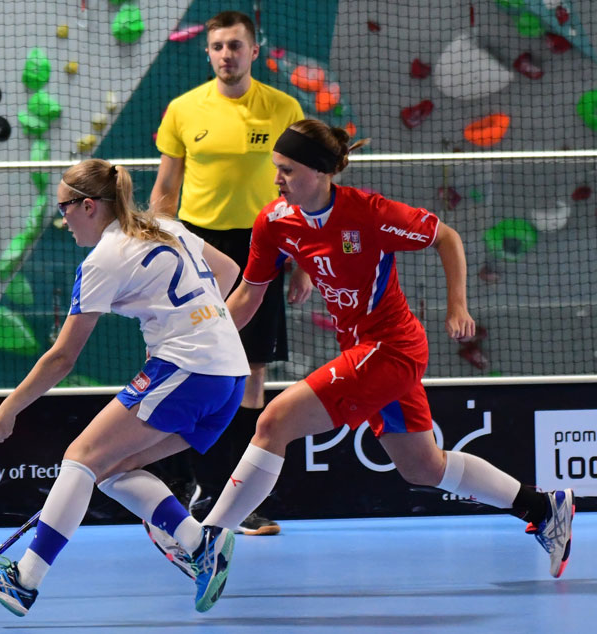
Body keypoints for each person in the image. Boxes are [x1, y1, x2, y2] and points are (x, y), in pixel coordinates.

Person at [158, 119, 575, 601]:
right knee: (422, 467)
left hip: (391, 348)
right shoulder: (274, 221)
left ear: (320, 172)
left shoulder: (370, 213)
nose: (277, 179)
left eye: (287, 170)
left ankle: (210, 540)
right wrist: (204, 338)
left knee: (273, 421)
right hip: (359, 349)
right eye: (276, 168)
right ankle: (542, 507)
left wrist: (457, 305)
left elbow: (446, 237)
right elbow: (249, 293)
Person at [0, 159, 249, 616]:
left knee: (80, 458)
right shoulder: (164, 226)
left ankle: (23, 580)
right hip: (230, 374)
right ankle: (199, 544)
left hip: (188, 369)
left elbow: (63, 357)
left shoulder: (103, 259)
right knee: (110, 469)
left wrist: (9, 408)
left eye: (64, 208)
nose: (62, 219)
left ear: (88, 206)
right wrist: (201, 327)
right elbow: (229, 271)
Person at [148, 9, 311, 537]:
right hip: (198, 249)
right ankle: (185, 484)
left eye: (235, 46)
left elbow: (299, 190)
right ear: (208, 52)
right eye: (218, 46)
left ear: (253, 51)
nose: (226, 55)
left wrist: (302, 261)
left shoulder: (283, 108)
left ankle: (233, 500)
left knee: (251, 372)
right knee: (186, 363)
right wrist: (157, 255)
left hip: (263, 246)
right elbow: (165, 190)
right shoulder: (183, 109)